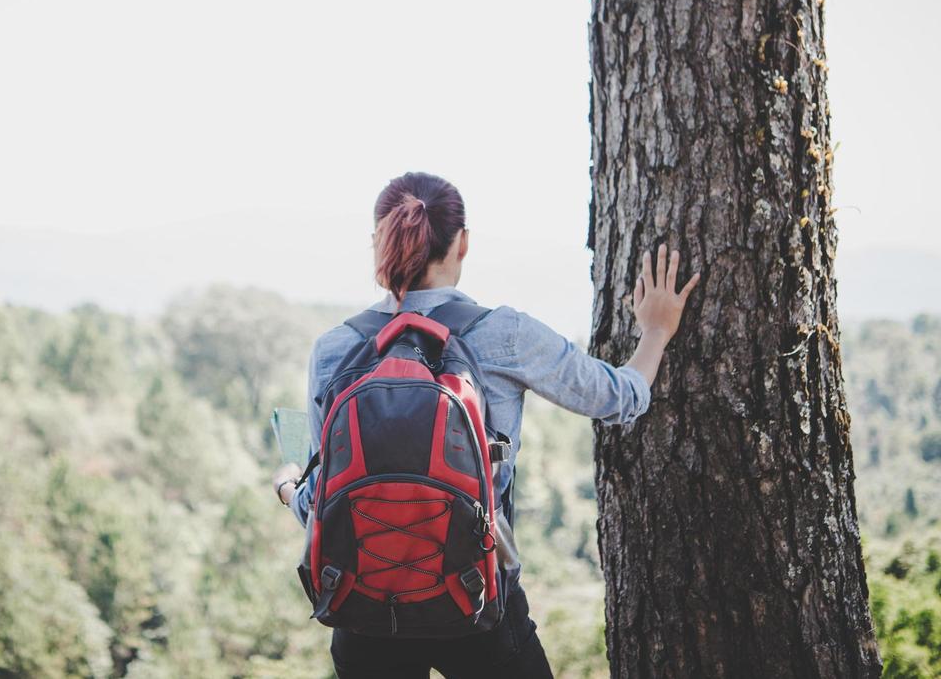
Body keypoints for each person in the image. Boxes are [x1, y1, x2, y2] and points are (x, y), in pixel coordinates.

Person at [270, 171, 700, 679]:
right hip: (475, 598)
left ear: (377, 244)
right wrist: (655, 331)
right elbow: (620, 398)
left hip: (363, 608)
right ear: (463, 244)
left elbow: (323, 503)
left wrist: (285, 484)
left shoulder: (334, 350)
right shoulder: (503, 334)